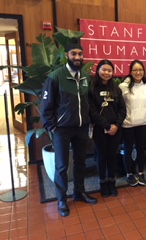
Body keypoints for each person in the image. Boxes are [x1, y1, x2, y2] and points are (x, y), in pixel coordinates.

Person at [40, 38, 97, 217]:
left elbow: (89, 102)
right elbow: (45, 105)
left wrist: (89, 121)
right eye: (74, 54)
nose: (78, 57)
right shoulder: (55, 77)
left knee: (81, 162)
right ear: (67, 56)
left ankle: (79, 193)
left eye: (80, 54)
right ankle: (62, 199)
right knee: (62, 166)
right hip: (62, 129)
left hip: (81, 127)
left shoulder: (86, 77)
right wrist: (52, 126)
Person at [88, 60, 126, 197]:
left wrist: (116, 125)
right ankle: (102, 183)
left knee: (112, 156)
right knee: (102, 156)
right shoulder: (92, 89)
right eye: (104, 70)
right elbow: (92, 111)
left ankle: (112, 183)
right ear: (98, 71)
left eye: (109, 70)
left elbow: (122, 109)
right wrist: (107, 126)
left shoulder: (116, 89)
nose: (106, 73)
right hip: (100, 129)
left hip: (115, 129)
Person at [118, 60, 146, 186]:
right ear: (130, 72)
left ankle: (141, 173)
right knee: (128, 149)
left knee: (141, 149)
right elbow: (119, 106)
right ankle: (129, 174)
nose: (138, 72)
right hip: (128, 124)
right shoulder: (123, 86)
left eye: (140, 70)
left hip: (142, 122)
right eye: (135, 70)